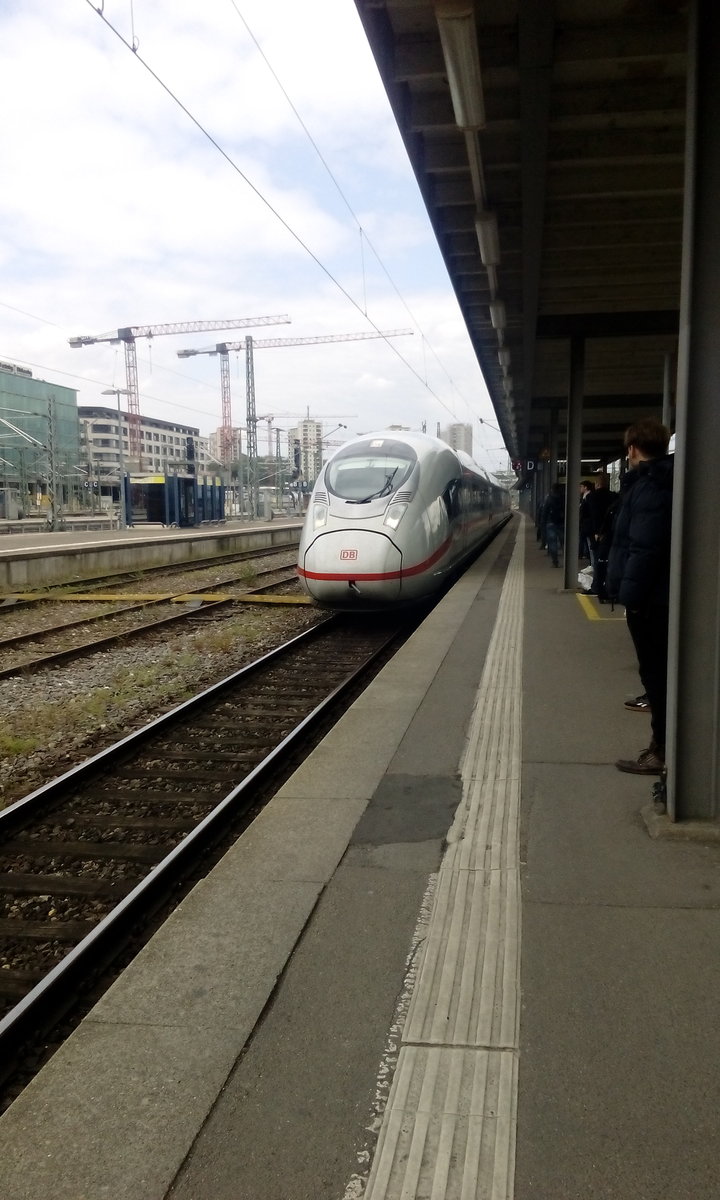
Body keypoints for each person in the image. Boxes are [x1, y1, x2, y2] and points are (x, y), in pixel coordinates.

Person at [606, 417, 673, 775]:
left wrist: (627, 594)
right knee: (659, 674)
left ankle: (662, 752)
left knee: (657, 676)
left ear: (632, 449)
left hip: (650, 601)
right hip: (658, 596)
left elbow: (643, 548)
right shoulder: (660, 482)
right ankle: (662, 746)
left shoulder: (649, 488)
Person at [543, 483, 565, 567]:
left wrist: (543, 523)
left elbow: (545, 512)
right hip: (562, 523)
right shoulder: (564, 498)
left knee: (552, 543)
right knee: (564, 542)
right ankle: (567, 561)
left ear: (552, 489)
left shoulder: (549, 499)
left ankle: (555, 562)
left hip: (551, 523)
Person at [579, 480, 595, 563]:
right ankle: (590, 561)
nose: (580, 488)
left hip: (588, 524)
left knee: (590, 544)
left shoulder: (589, 497)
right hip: (586, 524)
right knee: (588, 544)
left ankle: (592, 563)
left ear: (586, 487)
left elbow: (587, 511)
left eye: (581, 486)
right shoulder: (584, 497)